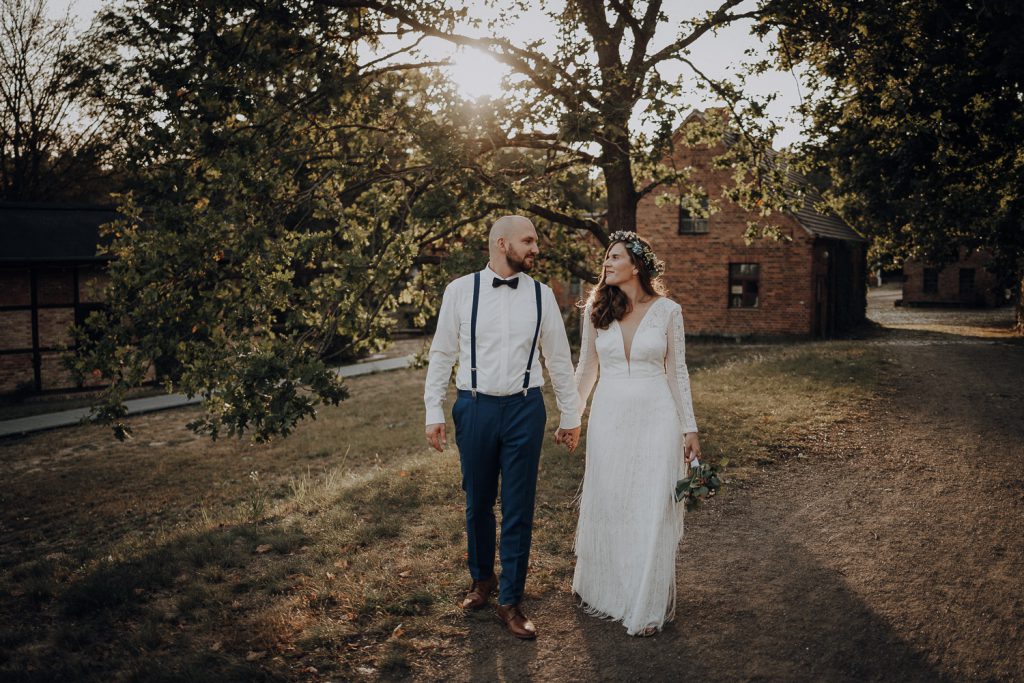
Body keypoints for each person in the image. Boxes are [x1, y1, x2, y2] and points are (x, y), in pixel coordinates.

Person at [424, 215, 581, 640]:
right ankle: (482, 580)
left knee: (518, 508)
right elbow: (441, 353)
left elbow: (559, 360)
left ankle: (511, 600)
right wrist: (433, 412)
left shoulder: (543, 296)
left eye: (535, 241)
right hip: (473, 408)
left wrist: (571, 416)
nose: (535, 249)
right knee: (477, 502)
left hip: (525, 410)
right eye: (528, 241)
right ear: (500, 243)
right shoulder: (459, 290)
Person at [569, 230, 701, 637]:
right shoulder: (596, 307)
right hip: (609, 418)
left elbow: (677, 373)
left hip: (656, 415)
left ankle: (645, 600)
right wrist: (571, 417)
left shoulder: (668, 311)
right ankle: (605, 587)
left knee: (649, 505)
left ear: (637, 265)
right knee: (611, 502)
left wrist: (689, 427)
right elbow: (586, 369)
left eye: (615, 257)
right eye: (605, 258)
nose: (606, 264)